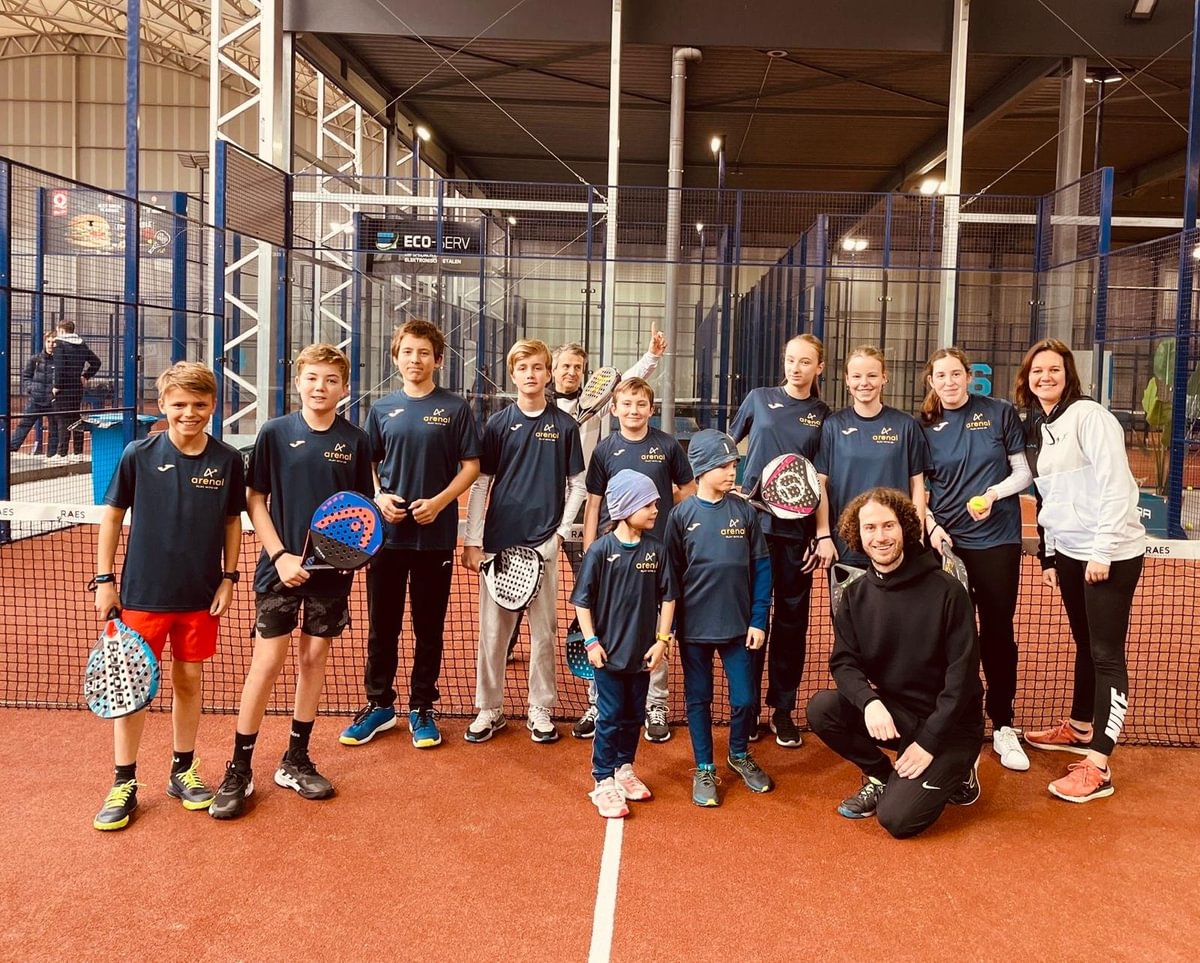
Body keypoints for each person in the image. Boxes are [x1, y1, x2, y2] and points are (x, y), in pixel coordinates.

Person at [209, 344, 373, 820]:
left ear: (344, 388)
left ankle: (295, 758)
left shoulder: (356, 440)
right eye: (312, 378)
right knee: (269, 660)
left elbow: (357, 508)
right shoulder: (275, 433)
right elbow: (255, 499)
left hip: (330, 574)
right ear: (297, 381)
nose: (320, 387)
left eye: (330, 380)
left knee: (314, 658)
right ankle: (240, 767)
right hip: (277, 569)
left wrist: (347, 551)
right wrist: (279, 555)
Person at [91, 362, 245, 830]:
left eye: (199, 404)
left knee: (189, 682)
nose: (189, 412)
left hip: (199, 596)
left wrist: (229, 577)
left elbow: (232, 521)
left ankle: (183, 770)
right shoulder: (138, 454)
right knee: (131, 691)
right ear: (162, 406)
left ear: (213, 406)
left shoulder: (228, 459)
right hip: (141, 597)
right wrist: (105, 580)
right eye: (179, 404)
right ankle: (124, 782)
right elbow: (113, 517)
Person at [807, 487, 983, 839]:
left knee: (898, 820)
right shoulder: (855, 595)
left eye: (888, 526)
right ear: (858, 535)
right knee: (822, 708)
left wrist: (930, 741)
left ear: (904, 527)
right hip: (898, 715)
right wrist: (869, 702)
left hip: (950, 729)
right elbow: (844, 663)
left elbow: (962, 678)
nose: (880, 537)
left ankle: (961, 772)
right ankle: (883, 775)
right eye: (870, 528)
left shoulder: (948, 591)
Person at [339, 321, 481, 750]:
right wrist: (379, 497)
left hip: (434, 538)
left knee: (429, 627)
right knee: (382, 626)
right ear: (396, 358)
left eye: (424, 353)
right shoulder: (382, 409)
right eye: (407, 352)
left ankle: (422, 706)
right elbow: (368, 462)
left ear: (438, 360)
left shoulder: (455, 409)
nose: (415, 360)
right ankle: (379, 705)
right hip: (387, 538)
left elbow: (471, 467)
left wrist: (439, 503)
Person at [1016, 339, 1146, 803]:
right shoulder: (1041, 425)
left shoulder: (1091, 417)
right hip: (1070, 553)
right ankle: (1078, 726)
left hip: (1108, 553)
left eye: (1053, 370)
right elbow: (1050, 496)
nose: (1044, 377)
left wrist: (1103, 551)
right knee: (1085, 644)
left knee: (1106, 652)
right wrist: (1051, 556)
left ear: (1069, 375)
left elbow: (1117, 487)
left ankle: (1099, 765)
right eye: (1036, 371)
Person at [461, 338, 585, 744]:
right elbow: (481, 484)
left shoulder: (565, 426)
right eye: (522, 368)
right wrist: (473, 541)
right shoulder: (497, 424)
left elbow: (577, 486)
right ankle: (489, 708)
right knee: (493, 635)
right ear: (512, 375)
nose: (530, 375)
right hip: (498, 546)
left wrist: (560, 534)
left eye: (537, 367)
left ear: (548, 375)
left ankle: (540, 708)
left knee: (543, 634)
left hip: (542, 547)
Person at [920, 347, 1033, 772]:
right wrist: (932, 526)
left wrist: (991, 495)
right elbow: (918, 489)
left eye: (955, 374)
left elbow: (1022, 473)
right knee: (950, 635)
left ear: (969, 377)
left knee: (998, 632)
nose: (948, 382)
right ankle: (955, 720)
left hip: (998, 541)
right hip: (947, 544)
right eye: (940, 376)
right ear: (930, 382)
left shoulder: (1000, 413)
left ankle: (1003, 725)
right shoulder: (925, 426)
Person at [580, 377, 694, 743]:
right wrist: (588, 547)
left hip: (657, 552)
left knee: (654, 624)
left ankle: (655, 704)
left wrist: (668, 524)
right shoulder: (604, 450)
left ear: (651, 408)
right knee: (608, 622)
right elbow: (595, 503)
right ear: (614, 409)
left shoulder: (666, 445)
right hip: (614, 551)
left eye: (641, 404)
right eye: (626, 404)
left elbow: (688, 491)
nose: (633, 411)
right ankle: (599, 701)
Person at [730, 333, 831, 747]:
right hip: (752, 530)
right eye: (791, 359)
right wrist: (728, 485)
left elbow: (822, 480)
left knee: (791, 625)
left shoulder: (824, 415)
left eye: (805, 362)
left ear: (819, 368)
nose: (796, 367)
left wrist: (821, 532)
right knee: (753, 620)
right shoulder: (758, 398)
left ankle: (782, 710)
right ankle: (748, 707)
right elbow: (726, 444)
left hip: (797, 537)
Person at [665, 429, 774, 807]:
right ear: (702, 468)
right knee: (699, 699)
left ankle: (739, 753)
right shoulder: (680, 516)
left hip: (739, 628)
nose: (732, 472)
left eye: (734, 465)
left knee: (744, 699)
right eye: (724, 466)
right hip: (694, 630)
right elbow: (671, 578)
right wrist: (668, 631)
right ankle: (705, 767)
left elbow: (762, 569)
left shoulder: (744, 511)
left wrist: (758, 619)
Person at [572, 470, 677, 818]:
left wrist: (662, 641)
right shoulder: (601, 551)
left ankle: (624, 767)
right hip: (608, 657)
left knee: (633, 716)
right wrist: (591, 642)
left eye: (655, 503)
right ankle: (603, 780)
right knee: (611, 716)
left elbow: (668, 598)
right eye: (646, 504)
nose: (655, 509)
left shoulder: (656, 551)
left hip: (642, 656)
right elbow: (582, 602)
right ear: (626, 505)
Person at [813, 345, 929, 568]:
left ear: (884, 378)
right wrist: (824, 535)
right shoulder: (832, 426)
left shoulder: (906, 425)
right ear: (847, 380)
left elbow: (917, 487)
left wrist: (917, 534)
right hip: (846, 546)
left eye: (872, 375)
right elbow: (821, 484)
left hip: (894, 545)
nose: (864, 382)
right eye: (856, 376)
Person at [50, 319, 101, 459]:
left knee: (62, 419)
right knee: (75, 417)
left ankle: (62, 453)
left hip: (64, 387)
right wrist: (85, 376)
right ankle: (78, 452)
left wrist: (57, 386)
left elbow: (60, 367)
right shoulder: (81, 344)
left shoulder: (59, 344)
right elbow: (96, 362)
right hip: (76, 388)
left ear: (61, 330)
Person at [10, 333, 58, 456]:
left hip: (52, 400)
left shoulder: (60, 361)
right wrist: (30, 388)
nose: (51, 345)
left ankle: (51, 455)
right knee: (24, 424)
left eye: (53, 342)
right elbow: (26, 376)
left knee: (54, 429)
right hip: (36, 399)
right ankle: (12, 448)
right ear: (45, 342)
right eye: (48, 342)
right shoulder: (35, 359)